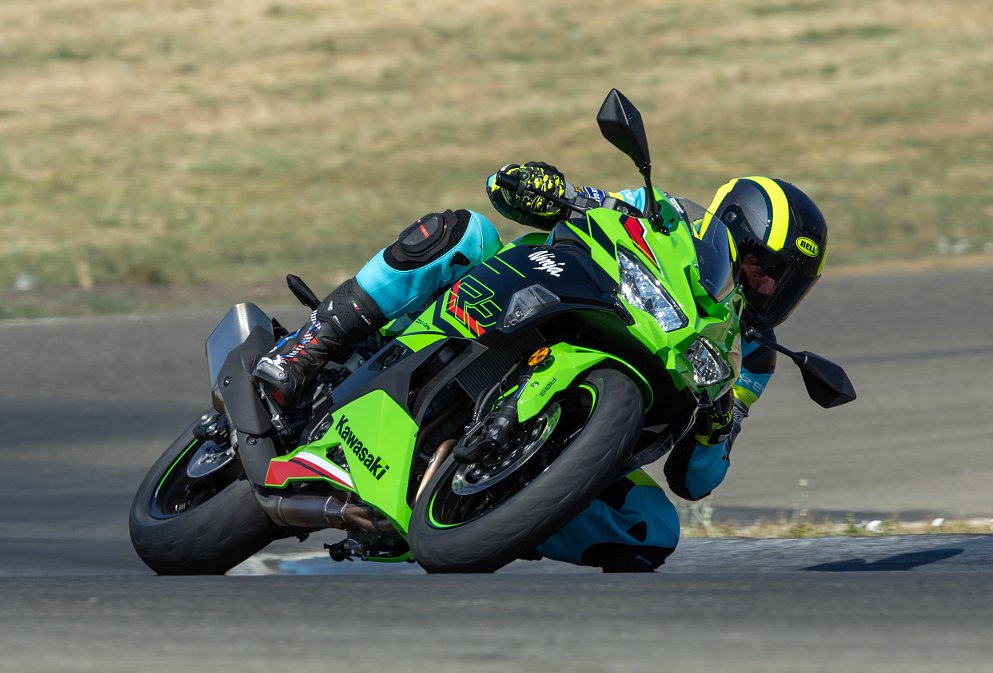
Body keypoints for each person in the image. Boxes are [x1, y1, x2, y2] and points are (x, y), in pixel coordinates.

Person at [253, 163, 829, 572]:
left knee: (651, 527)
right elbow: (519, 190)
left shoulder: (750, 358)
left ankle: (497, 510)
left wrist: (719, 424)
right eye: (761, 264)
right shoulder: (664, 217)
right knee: (465, 233)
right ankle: (310, 345)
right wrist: (547, 189)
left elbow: (695, 479)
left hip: (620, 390)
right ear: (727, 228)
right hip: (545, 307)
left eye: (786, 282)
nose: (768, 286)